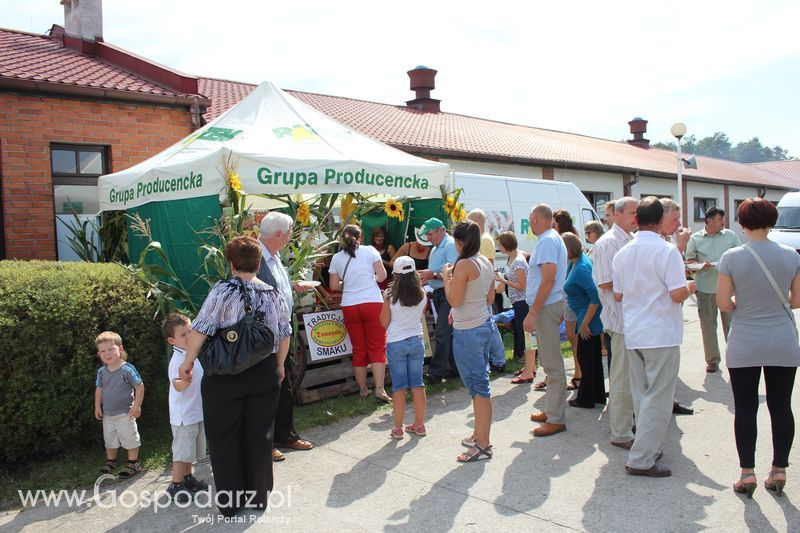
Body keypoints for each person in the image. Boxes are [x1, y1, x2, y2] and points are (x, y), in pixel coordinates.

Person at [180, 236, 292, 516]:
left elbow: (202, 328)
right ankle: (259, 498)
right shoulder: (273, 293)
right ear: (258, 263)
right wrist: (279, 365)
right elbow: (284, 333)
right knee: (260, 434)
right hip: (263, 370)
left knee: (224, 436)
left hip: (224, 373)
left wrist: (188, 361)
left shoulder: (222, 291)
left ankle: (231, 503)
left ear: (230, 263)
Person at [716, 198, 800, 497]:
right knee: (781, 406)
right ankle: (779, 469)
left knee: (746, 407)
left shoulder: (731, 257)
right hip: (782, 339)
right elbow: (796, 300)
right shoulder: (791, 255)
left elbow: (723, 303)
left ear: (741, 223)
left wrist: (742, 303)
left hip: (745, 340)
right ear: (772, 221)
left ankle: (747, 473)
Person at [612, 197, 696, 478]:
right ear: (660, 221)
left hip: (635, 330)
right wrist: (690, 287)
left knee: (642, 395)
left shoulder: (623, 253)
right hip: (660, 332)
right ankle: (641, 457)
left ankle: (645, 447)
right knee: (658, 398)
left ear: (636, 220)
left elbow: (619, 294)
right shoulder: (667, 251)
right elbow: (676, 293)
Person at [258, 212, 315, 461]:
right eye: (290, 231)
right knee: (266, 390)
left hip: (282, 334)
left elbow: (274, 285)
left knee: (284, 386)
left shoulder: (274, 256)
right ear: (279, 235)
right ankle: (265, 442)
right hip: (264, 338)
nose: (291, 236)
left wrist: (291, 286)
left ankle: (285, 434)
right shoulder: (255, 257)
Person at [444, 221, 497, 461]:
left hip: (469, 331)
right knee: (480, 384)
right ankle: (479, 435)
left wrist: (447, 278)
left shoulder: (464, 263)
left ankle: (483, 445)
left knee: (478, 387)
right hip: (483, 324)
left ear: (460, 241)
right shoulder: (484, 261)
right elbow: (491, 295)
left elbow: (454, 301)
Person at [592, 196, 637, 450]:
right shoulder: (608, 243)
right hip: (618, 320)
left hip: (630, 320)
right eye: (632, 213)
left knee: (630, 378)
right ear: (616, 215)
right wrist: (639, 286)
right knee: (620, 380)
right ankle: (620, 433)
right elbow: (604, 282)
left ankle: (627, 424)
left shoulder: (629, 239)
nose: (635, 218)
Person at [328, 224, 391, 402]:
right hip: (372, 302)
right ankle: (380, 388)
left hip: (350, 305)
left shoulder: (336, 258)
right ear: (360, 238)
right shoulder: (370, 250)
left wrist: (348, 282)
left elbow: (333, 286)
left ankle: (363, 389)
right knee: (377, 347)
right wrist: (370, 278)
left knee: (358, 349)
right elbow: (383, 275)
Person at [524, 204, 569, 437]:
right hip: (548, 305)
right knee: (549, 361)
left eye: (530, 219)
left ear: (536, 218)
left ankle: (556, 418)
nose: (530, 223)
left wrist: (532, 313)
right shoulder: (550, 238)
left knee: (552, 364)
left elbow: (548, 281)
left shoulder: (547, 241)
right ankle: (552, 410)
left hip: (546, 306)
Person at [685, 206, 741, 373]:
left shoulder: (731, 236)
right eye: (720, 220)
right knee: (708, 326)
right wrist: (701, 265)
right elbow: (689, 262)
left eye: (724, 220)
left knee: (732, 325)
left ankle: (735, 357)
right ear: (709, 221)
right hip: (705, 289)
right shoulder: (695, 238)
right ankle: (712, 361)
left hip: (728, 289)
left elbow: (739, 256)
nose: (724, 222)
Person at [380, 256, 428, 439]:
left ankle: (398, 428)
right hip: (416, 340)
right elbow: (418, 316)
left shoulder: (389, 296)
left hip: (396, 342)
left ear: (397, 275)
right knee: (417, 384)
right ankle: (420, 425)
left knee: (399, 386)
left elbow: (384, 322)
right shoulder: (422, 294)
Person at [162, 313, 207, 500]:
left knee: (190, 450)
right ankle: (176, 484)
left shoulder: (191, 355)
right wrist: (185, 381)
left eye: (190, 331)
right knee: (181, 452)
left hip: (195, 412)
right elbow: (177, 385)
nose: (189, 336)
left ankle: (188, 478)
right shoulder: (177, 360)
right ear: (172, 340)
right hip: (183, 416)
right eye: (183, 335)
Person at [658, 198, 695, 416]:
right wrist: (681, 245)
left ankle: (670, 401)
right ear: (660, 218)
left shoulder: (669, 238)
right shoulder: (660, 243)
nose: (678, 223)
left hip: (670, 315)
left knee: (670, 366)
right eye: (674, 218)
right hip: (659, 315)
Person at [562, 233, 605, 408]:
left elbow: (595, 297)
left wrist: (585, 322)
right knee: (591, 358)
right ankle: (597, 395)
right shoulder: (574, 264)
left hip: (587, 317)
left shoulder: (581, 268)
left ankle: (586, 399)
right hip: (583, 314)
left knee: (586, 358)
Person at [95, 331, 144, 479]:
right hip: (108, 414)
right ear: (99, 354)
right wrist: (97, 406)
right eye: (103, 351)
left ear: (120, 349)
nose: (107, 353)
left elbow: (139, 386)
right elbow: (99, 389)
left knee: (129, 437)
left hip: (125, 413)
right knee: (110, 439)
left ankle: (133, 462)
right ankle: (111, 461)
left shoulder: (127, 369)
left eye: (111, 349)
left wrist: (137, 405)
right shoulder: (102, 372)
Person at [417, 218, 460, 383]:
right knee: (445, 332)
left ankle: (436, 373)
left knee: (442, 332)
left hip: (447, 293)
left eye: (430, 234)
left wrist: (432, 275)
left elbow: (455, 274)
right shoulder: (437, 247)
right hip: (439, 293)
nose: (428, 238)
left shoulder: (449, 245)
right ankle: (456, 369)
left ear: (441, 230)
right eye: (427, 235)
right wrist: (425, 278)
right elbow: (438, 274)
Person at [468, 208, 505, 372]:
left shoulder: (484, 240)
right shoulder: (483, 239)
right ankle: (497, 359)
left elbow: (488, 266)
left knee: (490, 325)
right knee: (489, 324)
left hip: (483, 289)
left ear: (476, 222)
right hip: (483, 288)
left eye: (469, 222)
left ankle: (498, 359)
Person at [552, 209, 581, 390]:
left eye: (554, 224)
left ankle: (578, 374)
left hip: (567, 297)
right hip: (562, 295)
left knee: (572, 337)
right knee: (566, 337)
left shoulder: (566, 243)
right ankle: (555, 376)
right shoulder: (560, 242)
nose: (551, 228)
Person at [494, 231, 529, 363]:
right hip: (517, 302)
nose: (499, 247)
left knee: (524, 333)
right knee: (521, 332)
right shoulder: (513, 257)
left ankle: (529, 362)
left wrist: (503, 281)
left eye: (500, 245)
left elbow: (522, 286)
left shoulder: (518, 261)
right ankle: (527, 361)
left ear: (506, 245)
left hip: (522, 302)